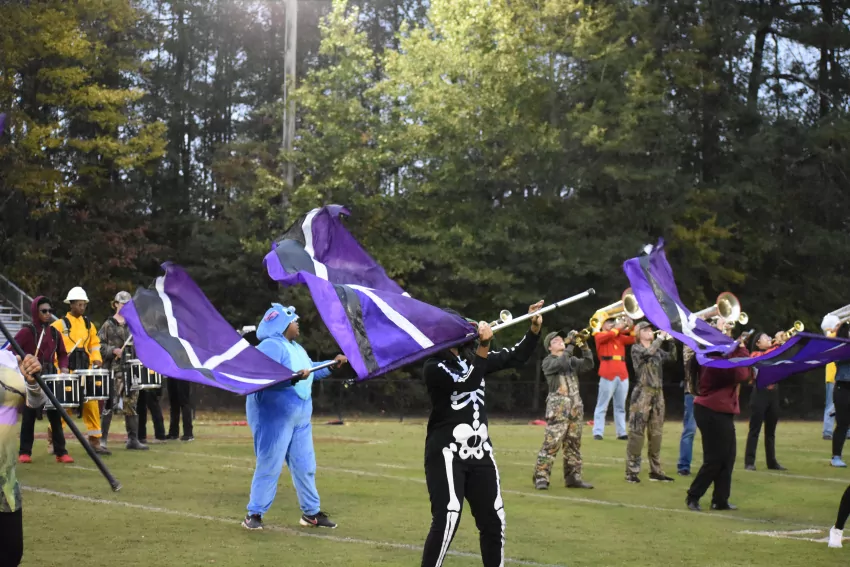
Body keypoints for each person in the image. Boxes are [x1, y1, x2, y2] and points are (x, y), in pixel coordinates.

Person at [421, 301, 542, 567]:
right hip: (447, 452)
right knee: (448, 517)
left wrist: (533, 330)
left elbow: (515, 356)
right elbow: (468, 383)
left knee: (493, 519)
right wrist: (484, 346)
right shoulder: (434, 366)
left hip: (480, 452)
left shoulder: (471, 359)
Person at [241, 304, 347, 531]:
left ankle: (311, 513)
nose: (297, 323)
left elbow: (310, 370)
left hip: (300, 418)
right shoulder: (270, 346)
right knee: (269, 464)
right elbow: (263, 376)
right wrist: (293, 378)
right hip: (274, 416)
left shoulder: (296, 348)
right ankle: (254, 513)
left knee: (305, 465)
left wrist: (332, 365)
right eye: (293, 321)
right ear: (281, 324)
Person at [686, 316, 750, 512]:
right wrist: (741, 348)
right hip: (711, 410)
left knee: (728, 457)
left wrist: (736, 347)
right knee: (715, 458)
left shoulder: (718, 357)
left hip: (720, 410)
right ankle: (693, 496)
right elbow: (741, 373)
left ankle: (720, 499)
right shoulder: (713, 361)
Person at [10, 296, 73, 463]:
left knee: (55, 415)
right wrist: (22, 361)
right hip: (32, 377)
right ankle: (25, 452)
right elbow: (11, 350)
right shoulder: (26, 332)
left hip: (50, 376)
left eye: (50, 311)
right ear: (35, 312)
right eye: (44, 311)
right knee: (29, 414)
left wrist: (64, 367)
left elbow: (63, 354)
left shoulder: (55, 333)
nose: (47, 314)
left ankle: (61, 452)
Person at [533, 329, 594, 490]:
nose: (560, 341)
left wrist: (584, 345)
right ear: (549, 348)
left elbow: (588, 364)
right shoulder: (548, 361)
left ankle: (573, 477)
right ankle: (541, 477)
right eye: (555, 341)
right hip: (558, 408)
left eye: (561, 339)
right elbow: (561, 364)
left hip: (575, 407)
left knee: (573, 444)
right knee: (552, 443)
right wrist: (571, 346)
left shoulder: (570, 359)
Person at [0, 351, 46, 567]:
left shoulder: (9, 359)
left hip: (5, 482)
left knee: (11, 554)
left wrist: (33, 381)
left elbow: (35, 403)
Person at [51, 286, 108, 454]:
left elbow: (94, 344)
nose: (82, 308)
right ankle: (53, 440)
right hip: (67, 371)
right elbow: (51, 347)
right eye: (79, 304)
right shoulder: (58, 325)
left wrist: (97, 358)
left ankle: (95, 441)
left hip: (86, 371)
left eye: (84, 305)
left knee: (92, 405)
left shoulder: (89, 325)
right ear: (71, 304)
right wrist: (58, 367)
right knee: (64, 407)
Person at [625, 322, 676, 483]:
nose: (650, 331)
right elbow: (648, 353)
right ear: (638, 333)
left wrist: (671, 341)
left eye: (650, 329)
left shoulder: (657, 348)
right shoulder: (636, 348)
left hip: (658, 393)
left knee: (656, 434)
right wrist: (660, 338)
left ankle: (656, 470)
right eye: (645, 330)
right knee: (637, 433)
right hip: (642, 393)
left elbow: (672, 358)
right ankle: (632, 472)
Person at [98, 291, 148, 450]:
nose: (125, 306)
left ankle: (133, 439)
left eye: (128, 304)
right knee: (109, 403)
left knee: (131, 404)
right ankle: (102, 439)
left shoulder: (133, 325)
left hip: (131, 369)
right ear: (115, 304)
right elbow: (98, 346)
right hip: (114, 370)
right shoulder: (108, 325)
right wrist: (113, 350)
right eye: (122, 303)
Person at [743, 331, 786, 471]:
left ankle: (772, 462)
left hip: (773, 393)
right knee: (754, 429)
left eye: (769, 337)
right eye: (765, 338)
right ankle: (749, 461)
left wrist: (782, 344)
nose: (769, 339)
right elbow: (766, 358)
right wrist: (777, 344)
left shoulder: (775, 352)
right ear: (758, 343)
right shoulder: (755, 355)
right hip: (759, 393)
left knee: (771, 431)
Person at [592, 316, 635, 440]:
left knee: (620, 406)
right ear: (602, 325)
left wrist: (631, 326)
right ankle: (598, 432)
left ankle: (621, 432)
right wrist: (618, 328)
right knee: (602, 404)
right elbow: (608, 335)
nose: (612, 324)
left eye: (612, 322)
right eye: (608, 322)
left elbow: (633, 339)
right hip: (607, 372)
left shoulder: (618, 336)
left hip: (622, 373)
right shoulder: (599, 335)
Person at [830, 323, 850, 468]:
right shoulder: (839, 347)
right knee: (842, 423)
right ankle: (836, 456)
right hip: (842, 387)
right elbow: (839, 359)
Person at [677, 345, 697, 476]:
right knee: (690, 430)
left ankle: (713, 466)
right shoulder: (690, 343)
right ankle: (684, 466)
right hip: (693, 392)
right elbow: (690, 360)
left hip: (710, 392)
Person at [823, 314, 841, 441]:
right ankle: (827, 431)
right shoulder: (831, 337)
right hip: (833, 376)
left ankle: (845, 430)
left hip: (839, 376)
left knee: (843, 405)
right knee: (831, 405)